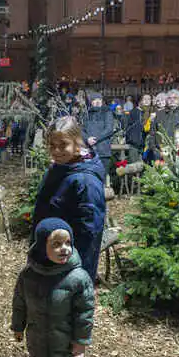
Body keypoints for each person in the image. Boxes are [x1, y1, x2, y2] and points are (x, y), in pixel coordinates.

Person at [11, 218, 94, 357]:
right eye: (55, 245)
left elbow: (84, 314)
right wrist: (17, 326)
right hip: (37, 339)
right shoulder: (28, 276)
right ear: (41, 247)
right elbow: (19, 302)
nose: (64, 249)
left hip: (63, 344)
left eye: (67, 243)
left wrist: (80, 343)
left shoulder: (78, 278)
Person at [32, 117, 107, 283]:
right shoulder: (59, 168)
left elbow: (89, 232)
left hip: (68, 263)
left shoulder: (85, 181)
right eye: (52, 146)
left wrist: (77, 274)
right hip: (48, 256)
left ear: (77, 144)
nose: (56, 151)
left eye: (63, 145)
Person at [83, 93, 115, 173]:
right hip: (88, 151)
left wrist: (95, 139)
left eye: (99, 99)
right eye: (94, 99)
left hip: (103, 151)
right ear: (91, 102)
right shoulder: (86, 114)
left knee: (101, 178)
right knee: (88, 176)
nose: (97, 101)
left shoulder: (107, 112)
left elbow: (109, 129)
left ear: (102, 101)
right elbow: (81, 130)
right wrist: (87, 139)